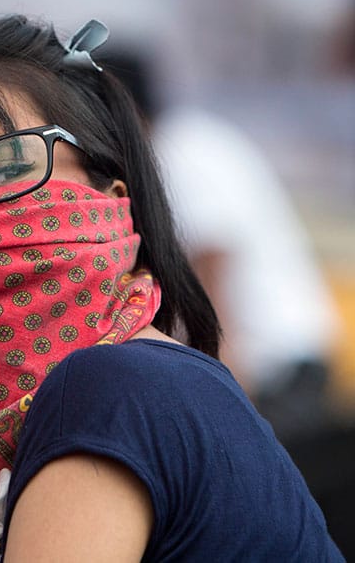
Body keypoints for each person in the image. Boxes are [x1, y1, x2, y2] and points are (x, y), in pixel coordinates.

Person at [0, 16, 342, 561]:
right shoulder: (136, 393)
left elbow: (216, 265)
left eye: (7, 166)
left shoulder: (104, 393)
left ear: (109, 187)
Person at [100, 48, 341, 444]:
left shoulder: (177, 152)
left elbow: (212, 274)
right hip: (283, 365)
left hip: (276, 374)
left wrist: (230, 397)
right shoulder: (193, 139)